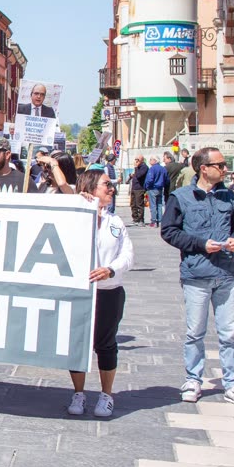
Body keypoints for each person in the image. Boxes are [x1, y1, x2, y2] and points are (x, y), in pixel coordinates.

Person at [160, 147, 234, 408]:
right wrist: (200, 244)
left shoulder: (228, 196)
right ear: (204, 169)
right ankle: (193, 379)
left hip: (226, 273)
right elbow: (169, 232)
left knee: (229, 333)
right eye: (220, 165)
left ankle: (232, 384)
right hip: (196, 273)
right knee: (195, 332)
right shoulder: (182, 197)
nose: (225, 170)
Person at [66, 169, 134, 418]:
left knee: (106, 344)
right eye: (106, 184)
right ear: (91, 187)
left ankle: (106, 395)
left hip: (108, 291)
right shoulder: (74, 217)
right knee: (77, 343)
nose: (111, 188)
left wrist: (110, 270)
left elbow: (127, 255)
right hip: (79, 292)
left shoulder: (115, 222)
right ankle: (79, 393)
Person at [144, 156, 168, 227]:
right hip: (160, 188)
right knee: (159, 205)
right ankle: (160, 221)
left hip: (153, 188)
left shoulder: (152, 169)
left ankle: (153, 221)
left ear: (155, 160)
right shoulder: (163, 169)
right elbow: (166, 179)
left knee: (153, 206)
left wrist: (147, 186)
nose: (150, 161)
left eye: (151, 160)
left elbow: (150, 179)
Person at [129, 155, 148, 226]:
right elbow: (134, 175)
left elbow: (139, 175)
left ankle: (141, 219)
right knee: (133, 204)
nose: (136, 161)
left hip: (139, 188)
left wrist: (136, 168)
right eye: (135, 160)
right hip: (134, 187)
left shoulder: (144, 167)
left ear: (142, 160)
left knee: (139, 204)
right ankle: (135, 218)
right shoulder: (137, 168)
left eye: (138, 160)